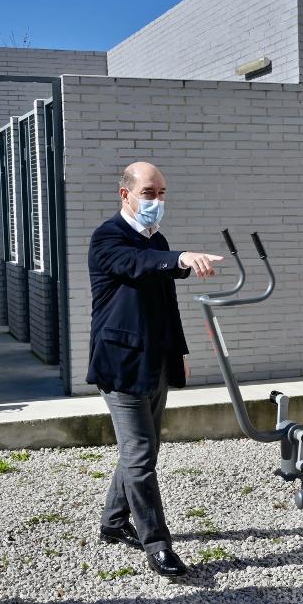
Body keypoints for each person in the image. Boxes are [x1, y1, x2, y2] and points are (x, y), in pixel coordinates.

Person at [87, 161, 223, 578]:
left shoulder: (156, 238)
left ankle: (113, 522)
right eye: (149, 193)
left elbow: (163, 300)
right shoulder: (108, 237)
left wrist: (177, 352)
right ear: (125, 194)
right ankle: (157, 544)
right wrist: (179, 257)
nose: (157, 201)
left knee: (140, 451)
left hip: (156, 361)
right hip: (121, 364)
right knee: (142, 455)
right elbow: (136, 264)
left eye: (162, 193)